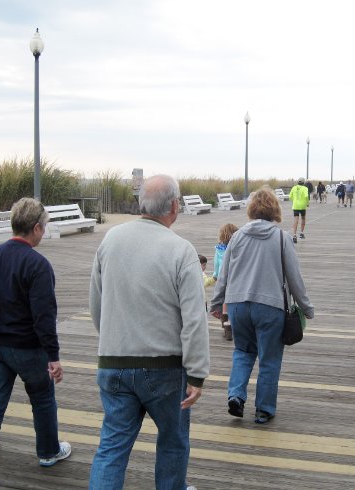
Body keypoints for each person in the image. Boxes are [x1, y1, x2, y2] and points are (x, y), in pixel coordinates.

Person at [89, 174, 209, 490]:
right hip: (164, 370)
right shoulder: (181, 250)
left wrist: (113, 340)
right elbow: (194, 319)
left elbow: (96, 305)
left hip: (113, 364)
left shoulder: (110, 240)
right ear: (173, 205)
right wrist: (197, 374)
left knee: (112, 447)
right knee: (172, 441)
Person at [0, 198, 70, 490]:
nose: (43, 232)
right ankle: (48, 452)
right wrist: (53, 356)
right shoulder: (38, 264)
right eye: (43, 227)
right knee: (42, 397)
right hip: (25, 347)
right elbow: (44, 316)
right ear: (35, 227)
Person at [211, 186, 314, 424]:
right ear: (275, 210)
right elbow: (294, 278)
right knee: (269, 358)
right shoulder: (282, 238)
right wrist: (306, 308)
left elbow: (223, 275)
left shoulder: (236, 237)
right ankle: (264, 409)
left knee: (243, 352)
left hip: (237, 305)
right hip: (269, 307)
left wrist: (216, 304)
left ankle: (236, 396)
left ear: (251, 209)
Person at [214, 223, 239, 341]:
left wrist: (215, 275)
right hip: (234, 278)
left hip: (222, 278)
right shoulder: (237, 248)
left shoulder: (219, 249)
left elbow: (217, 264)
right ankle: (232, 323)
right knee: (232, 302)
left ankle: (226, 326)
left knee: (224, 301)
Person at [289, 177, 309, 243]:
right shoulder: (305, 188)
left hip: (295, 206)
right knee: (303, 218)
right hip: (302, 206)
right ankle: (301, 233)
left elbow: (290, 197)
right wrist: (307, 203)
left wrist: (294, 200)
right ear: (303, 182)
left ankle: (294, 235)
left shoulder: (294, 188)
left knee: (296, 220)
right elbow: (306, 196)